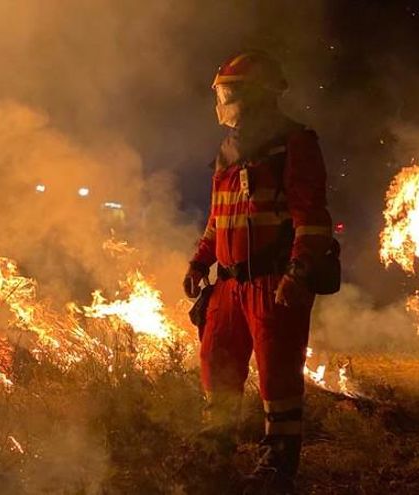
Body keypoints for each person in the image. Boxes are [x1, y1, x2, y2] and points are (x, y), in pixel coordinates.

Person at [183, 51, 334, 494]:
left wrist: (299, 270)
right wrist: (199, 261)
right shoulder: (227, 151)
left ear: (257, 95)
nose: (224, 101)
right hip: (229, 283)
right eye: (223, 92)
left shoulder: (295, 143)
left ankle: (278, 465)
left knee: (277, 375)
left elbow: (313, 217)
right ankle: (216, 450)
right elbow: (218, 219)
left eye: (231, 92)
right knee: (217, 363)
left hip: (273, 281)